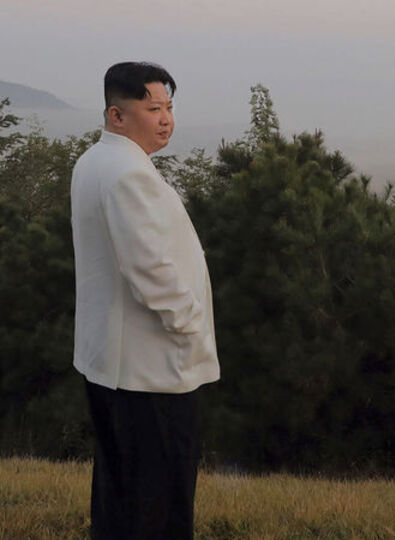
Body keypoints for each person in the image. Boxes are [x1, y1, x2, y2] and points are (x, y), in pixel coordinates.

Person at [71, 62, 220, 539]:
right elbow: (150, 268)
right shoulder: (127, 174)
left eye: (170, 107)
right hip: (148, 367)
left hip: (115, 363)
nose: (166, 118)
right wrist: (189, 324)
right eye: (153, 107)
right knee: (159, 498)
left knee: (123, 489)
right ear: (117, 115)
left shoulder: (96, 160)